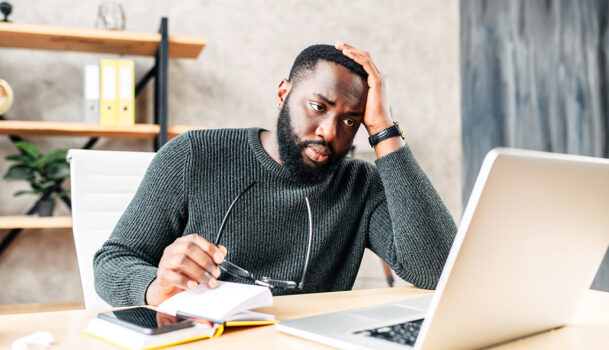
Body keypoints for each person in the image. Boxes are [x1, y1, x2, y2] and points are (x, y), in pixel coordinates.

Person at [94, 42, 457, 307]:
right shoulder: (195, 154)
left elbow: (439, 269)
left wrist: (384, 129)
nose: (329, 132)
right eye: (318, 106)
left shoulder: (360, 184)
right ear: (283, 94)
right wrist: (158, 287)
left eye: (350, 120)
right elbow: (112, 262)